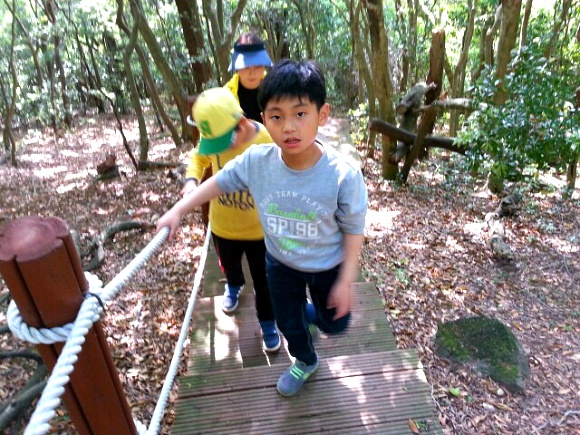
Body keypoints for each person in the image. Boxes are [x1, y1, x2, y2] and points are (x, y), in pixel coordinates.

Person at [157, 59, 368, 397]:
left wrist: (345, 280)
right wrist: (178, 209)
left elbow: (354, 229)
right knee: (286, 323)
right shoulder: (258, 162)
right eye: (276, 116)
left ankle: (307, 313)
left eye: (300, 114)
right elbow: (219, 182)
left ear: (322, 115)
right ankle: (305, 360)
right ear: (263, 119)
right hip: (280, 263)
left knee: (335, 322)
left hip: (326, 265)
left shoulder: (343, 174)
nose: (288, 127)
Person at [180, 87, 281, 352]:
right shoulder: (215, 134)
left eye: (222, 142)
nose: (218, 148)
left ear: (242, 123)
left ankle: (268, 323)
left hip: (259, 232)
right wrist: (191, 181)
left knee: (265, 282)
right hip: (223, 227)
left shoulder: (266, 140)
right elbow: (199, 157)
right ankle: (234, 286)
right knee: (230, 267)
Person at [225, 32, 273, 122]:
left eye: (258, 65)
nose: (252, 72)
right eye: (246, 66)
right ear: (237, 67)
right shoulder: (226, 95)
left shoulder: (276, 88)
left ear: (264, 65)